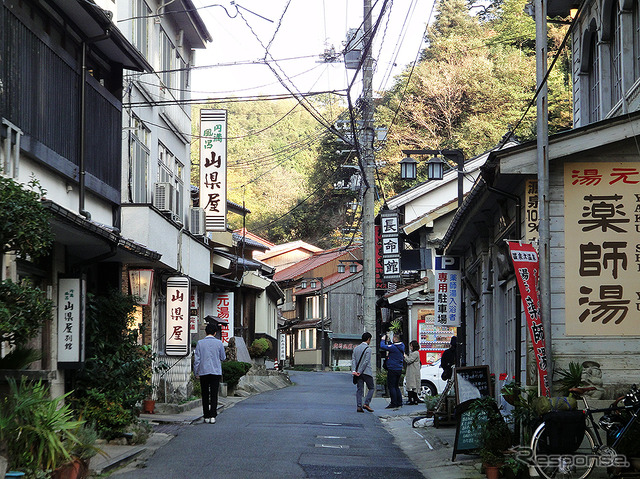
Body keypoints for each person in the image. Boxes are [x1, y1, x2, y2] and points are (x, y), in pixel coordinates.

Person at [194, 322, 226, 424]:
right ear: (215, 333)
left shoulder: (200, 343)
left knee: (204, 394)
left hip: (203, 372)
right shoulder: (219, 343)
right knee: (213, 394)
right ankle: (213, 416)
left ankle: (206, 416)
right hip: (215, 372)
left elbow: (197, 360)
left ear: (206, 332)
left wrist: (196, 372)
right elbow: (223, 357)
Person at [380, 333, 405, 409]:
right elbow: (392, 346)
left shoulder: (394, 347)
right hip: (399, 368)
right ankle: (399, 402)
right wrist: (389, 341)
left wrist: (383, 340)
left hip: (392, 368)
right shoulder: (401, 346)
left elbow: (382, 346)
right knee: (396, 386)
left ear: (395, 339)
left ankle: (394, 402)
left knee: (391, 386)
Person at [351, 332, 374, 413]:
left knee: (359, 389)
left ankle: (359, 406)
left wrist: (355, 371)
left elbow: (353, 360)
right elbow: (366, 362)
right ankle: (366, 403)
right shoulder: (368, 349)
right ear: (368, 339)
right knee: (371, 388)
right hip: (366, 372)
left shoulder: (356, 348)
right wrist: (360, 371)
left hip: (357, 373)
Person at [404, 340, 421, 405]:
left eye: (411, 346)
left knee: (411, 385)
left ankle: (412, 399)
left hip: (412, 371)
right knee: (413, 385)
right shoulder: (415, 353)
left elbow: (409, 360)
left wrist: (405, 356)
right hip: (413, 370)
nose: (410, 347)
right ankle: (415, 398)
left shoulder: (415, 353)